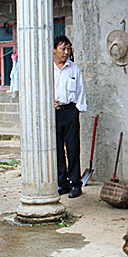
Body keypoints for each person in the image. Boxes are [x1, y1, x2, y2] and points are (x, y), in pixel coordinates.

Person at [53, 34, 87, 198]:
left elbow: (80, 91)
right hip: (54, 112)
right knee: (57, 149)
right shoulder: (48, 69)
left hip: (70, 111)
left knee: (73, 148)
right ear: (54, 50)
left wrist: (78, 110)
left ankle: (75, 183)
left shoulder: (74, 69)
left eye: (68, 48)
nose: (66, 52)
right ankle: (62, 183)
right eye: (63, 48)